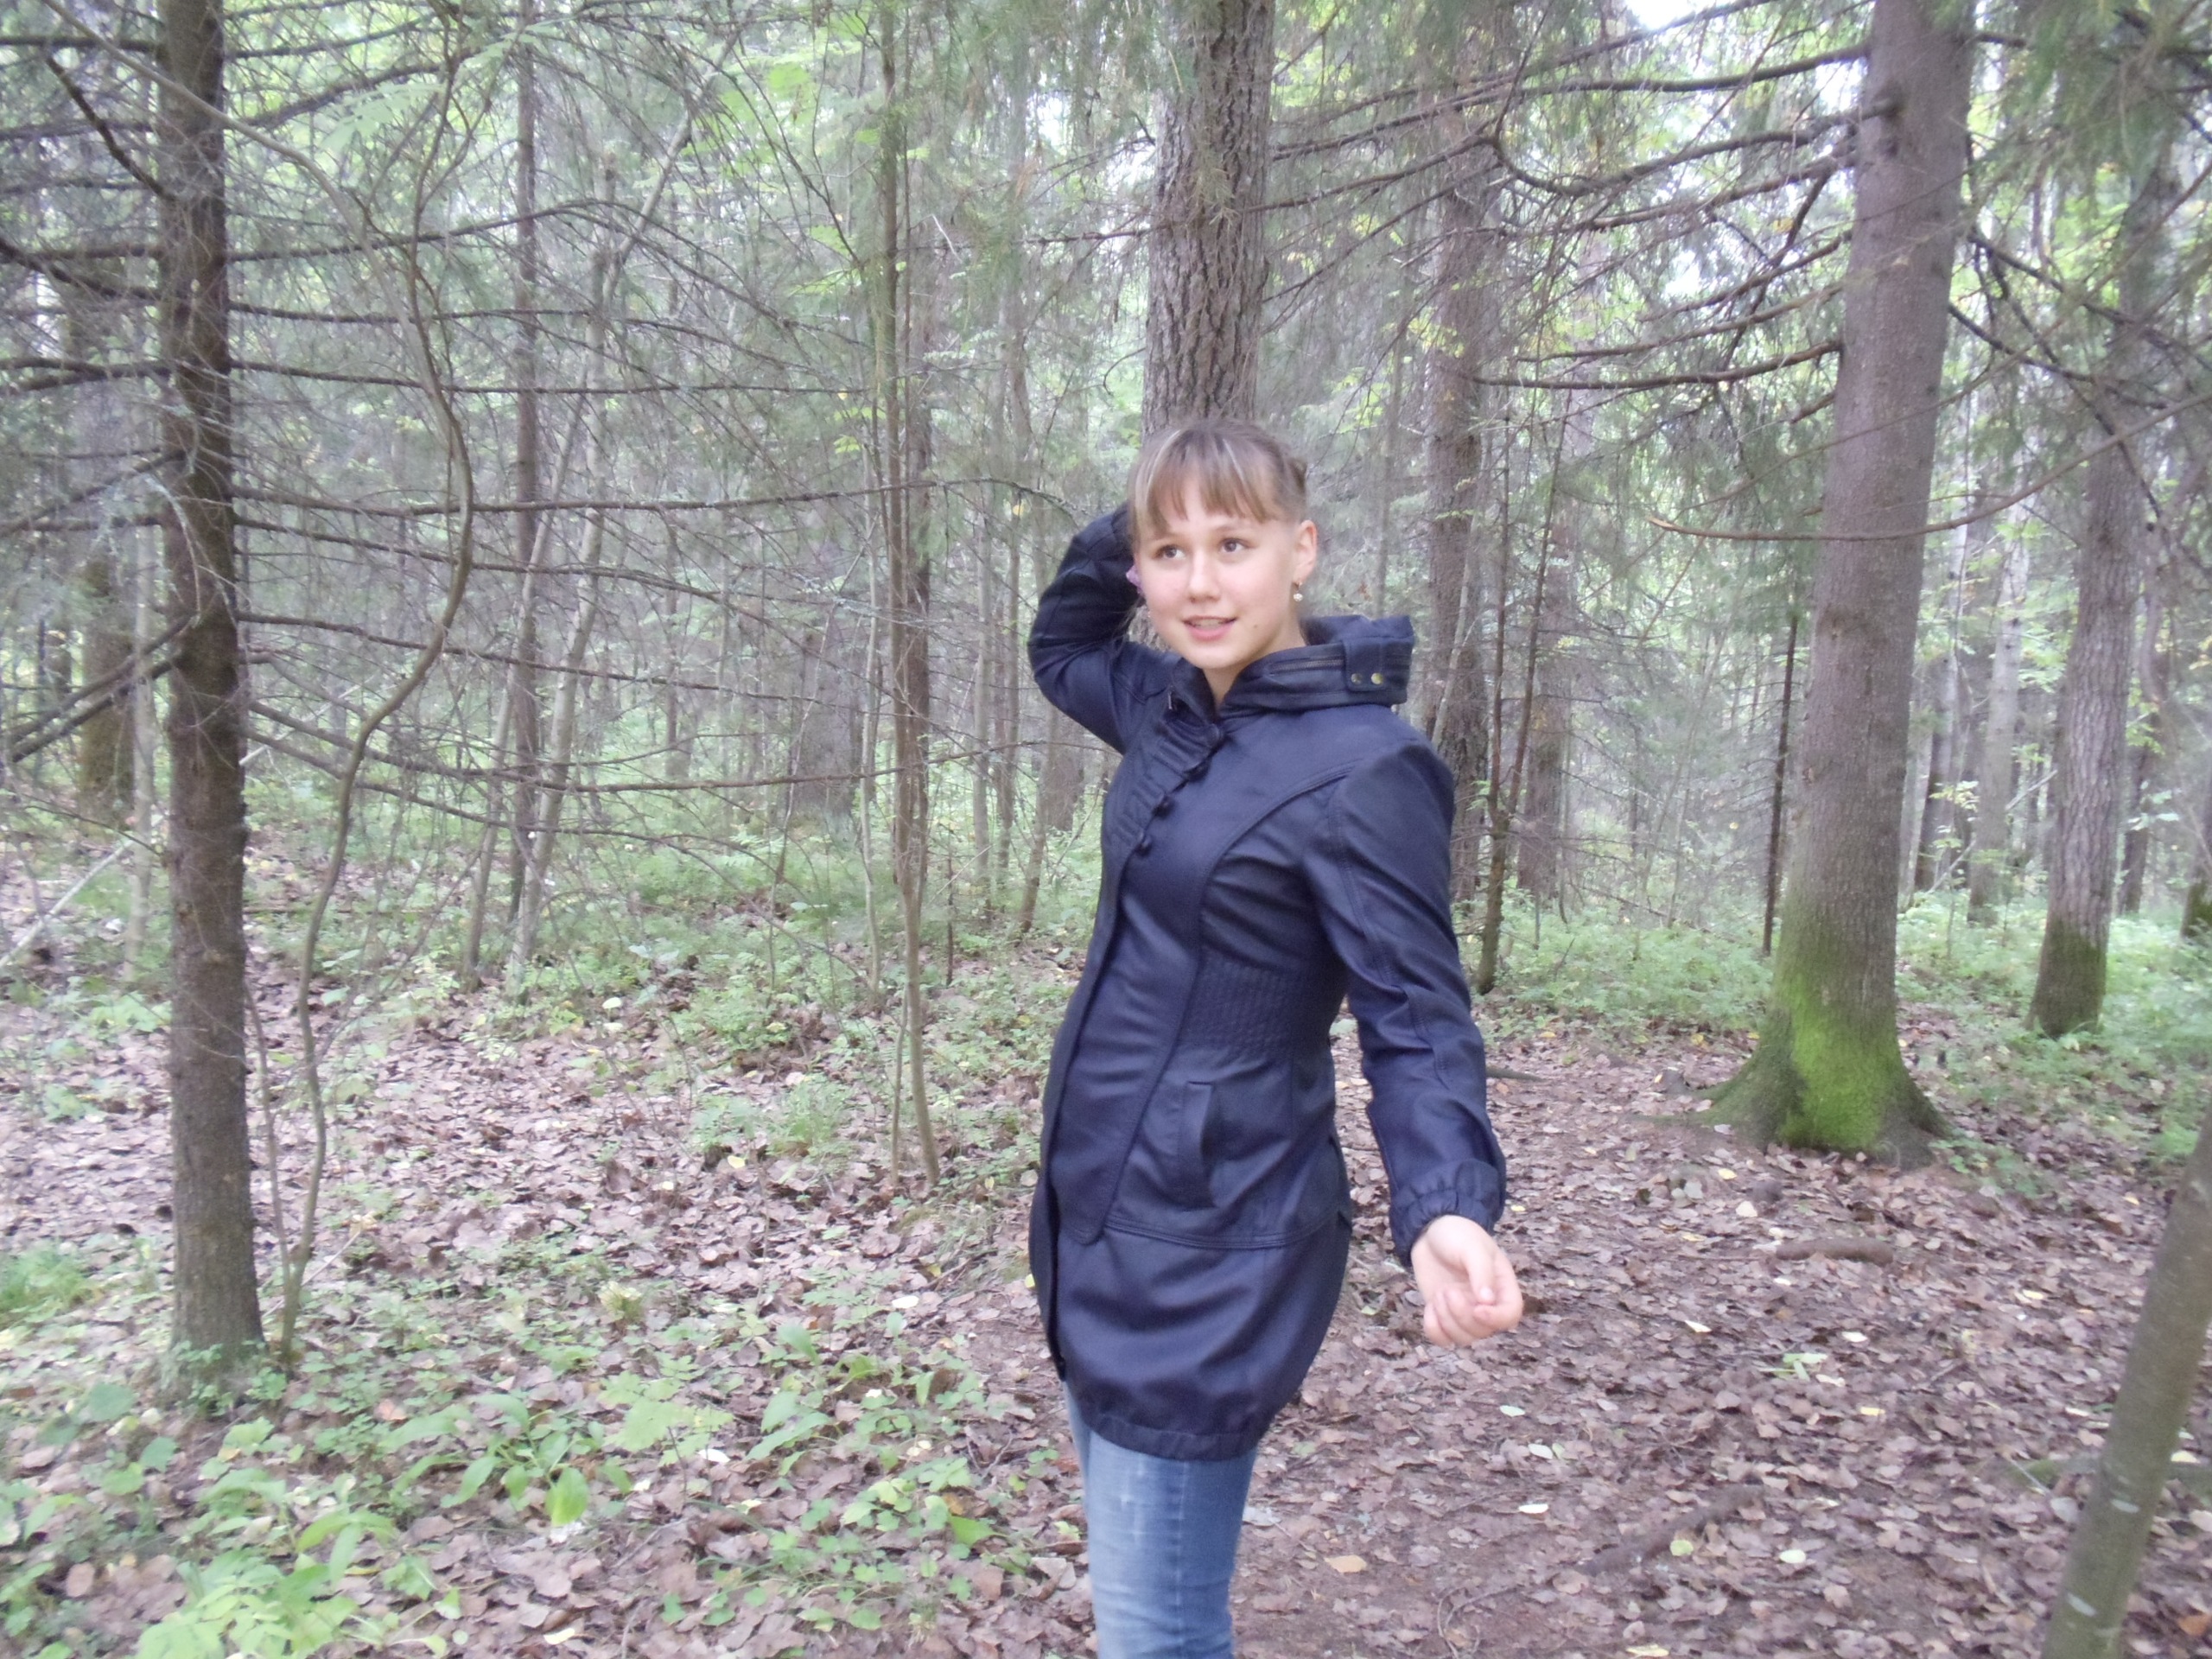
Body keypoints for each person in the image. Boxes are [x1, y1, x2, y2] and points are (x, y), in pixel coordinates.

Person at [1026, 417, 1521, 1659]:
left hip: (1210, 1237)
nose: (1200, 585)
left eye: (1234, 546)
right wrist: (1142, 510)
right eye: (1170, 554)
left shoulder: (1365, 769)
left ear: (1302, 551)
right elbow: (1062, 644)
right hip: (1099, 1208)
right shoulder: (1172, 707)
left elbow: (1416, 1015)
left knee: (1156, 1632)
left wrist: (1446, 1205)